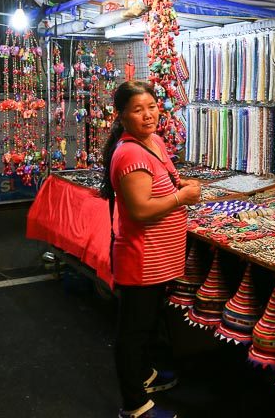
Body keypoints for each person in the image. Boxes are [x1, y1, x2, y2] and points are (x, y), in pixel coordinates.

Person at [100, 80, 201, 418]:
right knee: (132, 332)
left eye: (152, 107)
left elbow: (163, 179)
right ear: (121, 116)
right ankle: (134, 405)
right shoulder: (128, 152)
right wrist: (180, 198)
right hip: (141, 259)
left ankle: (145, 375)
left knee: (146, 323)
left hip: (159, 258)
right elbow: (141, 210)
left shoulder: (153, 141)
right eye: (137, 110)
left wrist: (179, 184)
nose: (148, 115)